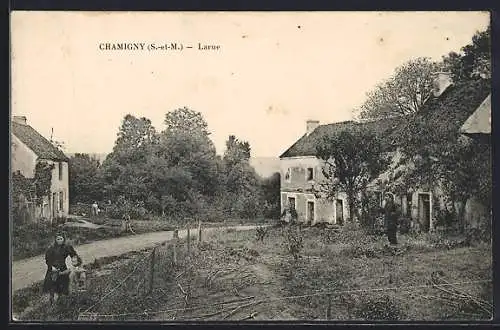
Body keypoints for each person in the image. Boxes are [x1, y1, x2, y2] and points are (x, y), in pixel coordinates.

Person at [42, 232, 81, 304]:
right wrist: (52, 267)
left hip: (63, 267)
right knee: (52, 285)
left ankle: (63, 300)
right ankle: (51, 300)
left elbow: (74, 255)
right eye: (58, 239)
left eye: (61, 239)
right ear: (55, 240)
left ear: (63, 239)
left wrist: (75, 263)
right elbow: (48, 260)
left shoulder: (67, 247)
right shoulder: (51, 249)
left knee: (64, 284)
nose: (59, 240)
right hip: (52, 268)